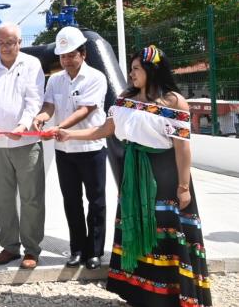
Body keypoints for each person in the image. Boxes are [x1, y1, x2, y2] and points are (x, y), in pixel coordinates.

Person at [57, 45, 212, 307]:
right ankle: (141, 294)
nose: (131, 74)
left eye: (136, 69)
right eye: (131, 69)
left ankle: (170, 297)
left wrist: (183, 186)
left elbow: (183, 148)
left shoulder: (173, 102)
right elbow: (105, 129)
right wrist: (70, 134)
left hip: (163, 177)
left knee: (164, 234)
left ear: (152, 70)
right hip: (134, 172)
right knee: (135, 228)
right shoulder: (125, 98)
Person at [33, 27, 107, 270]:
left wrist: (58, 128)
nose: (66, 60)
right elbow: (48, 106)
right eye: (62, 56)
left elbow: (85, 110)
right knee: (71, 201)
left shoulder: (96, 77)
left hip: (91, 148)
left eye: (70, 55)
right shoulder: (55, 79)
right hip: (65, 151)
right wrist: (41, 118)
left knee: (95, 201)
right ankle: (77, 249)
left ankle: (94, 252)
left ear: (83, 53)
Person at [0, 22, 46, 270]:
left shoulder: (31, 65)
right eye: (1, 42)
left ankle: (32, 250)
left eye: (10, 42)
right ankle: (10, 246)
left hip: (26, 143)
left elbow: (34, 99)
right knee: (3, 200)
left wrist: (24, 125)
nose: (5, 47)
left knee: (31, 199)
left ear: (19, 42)